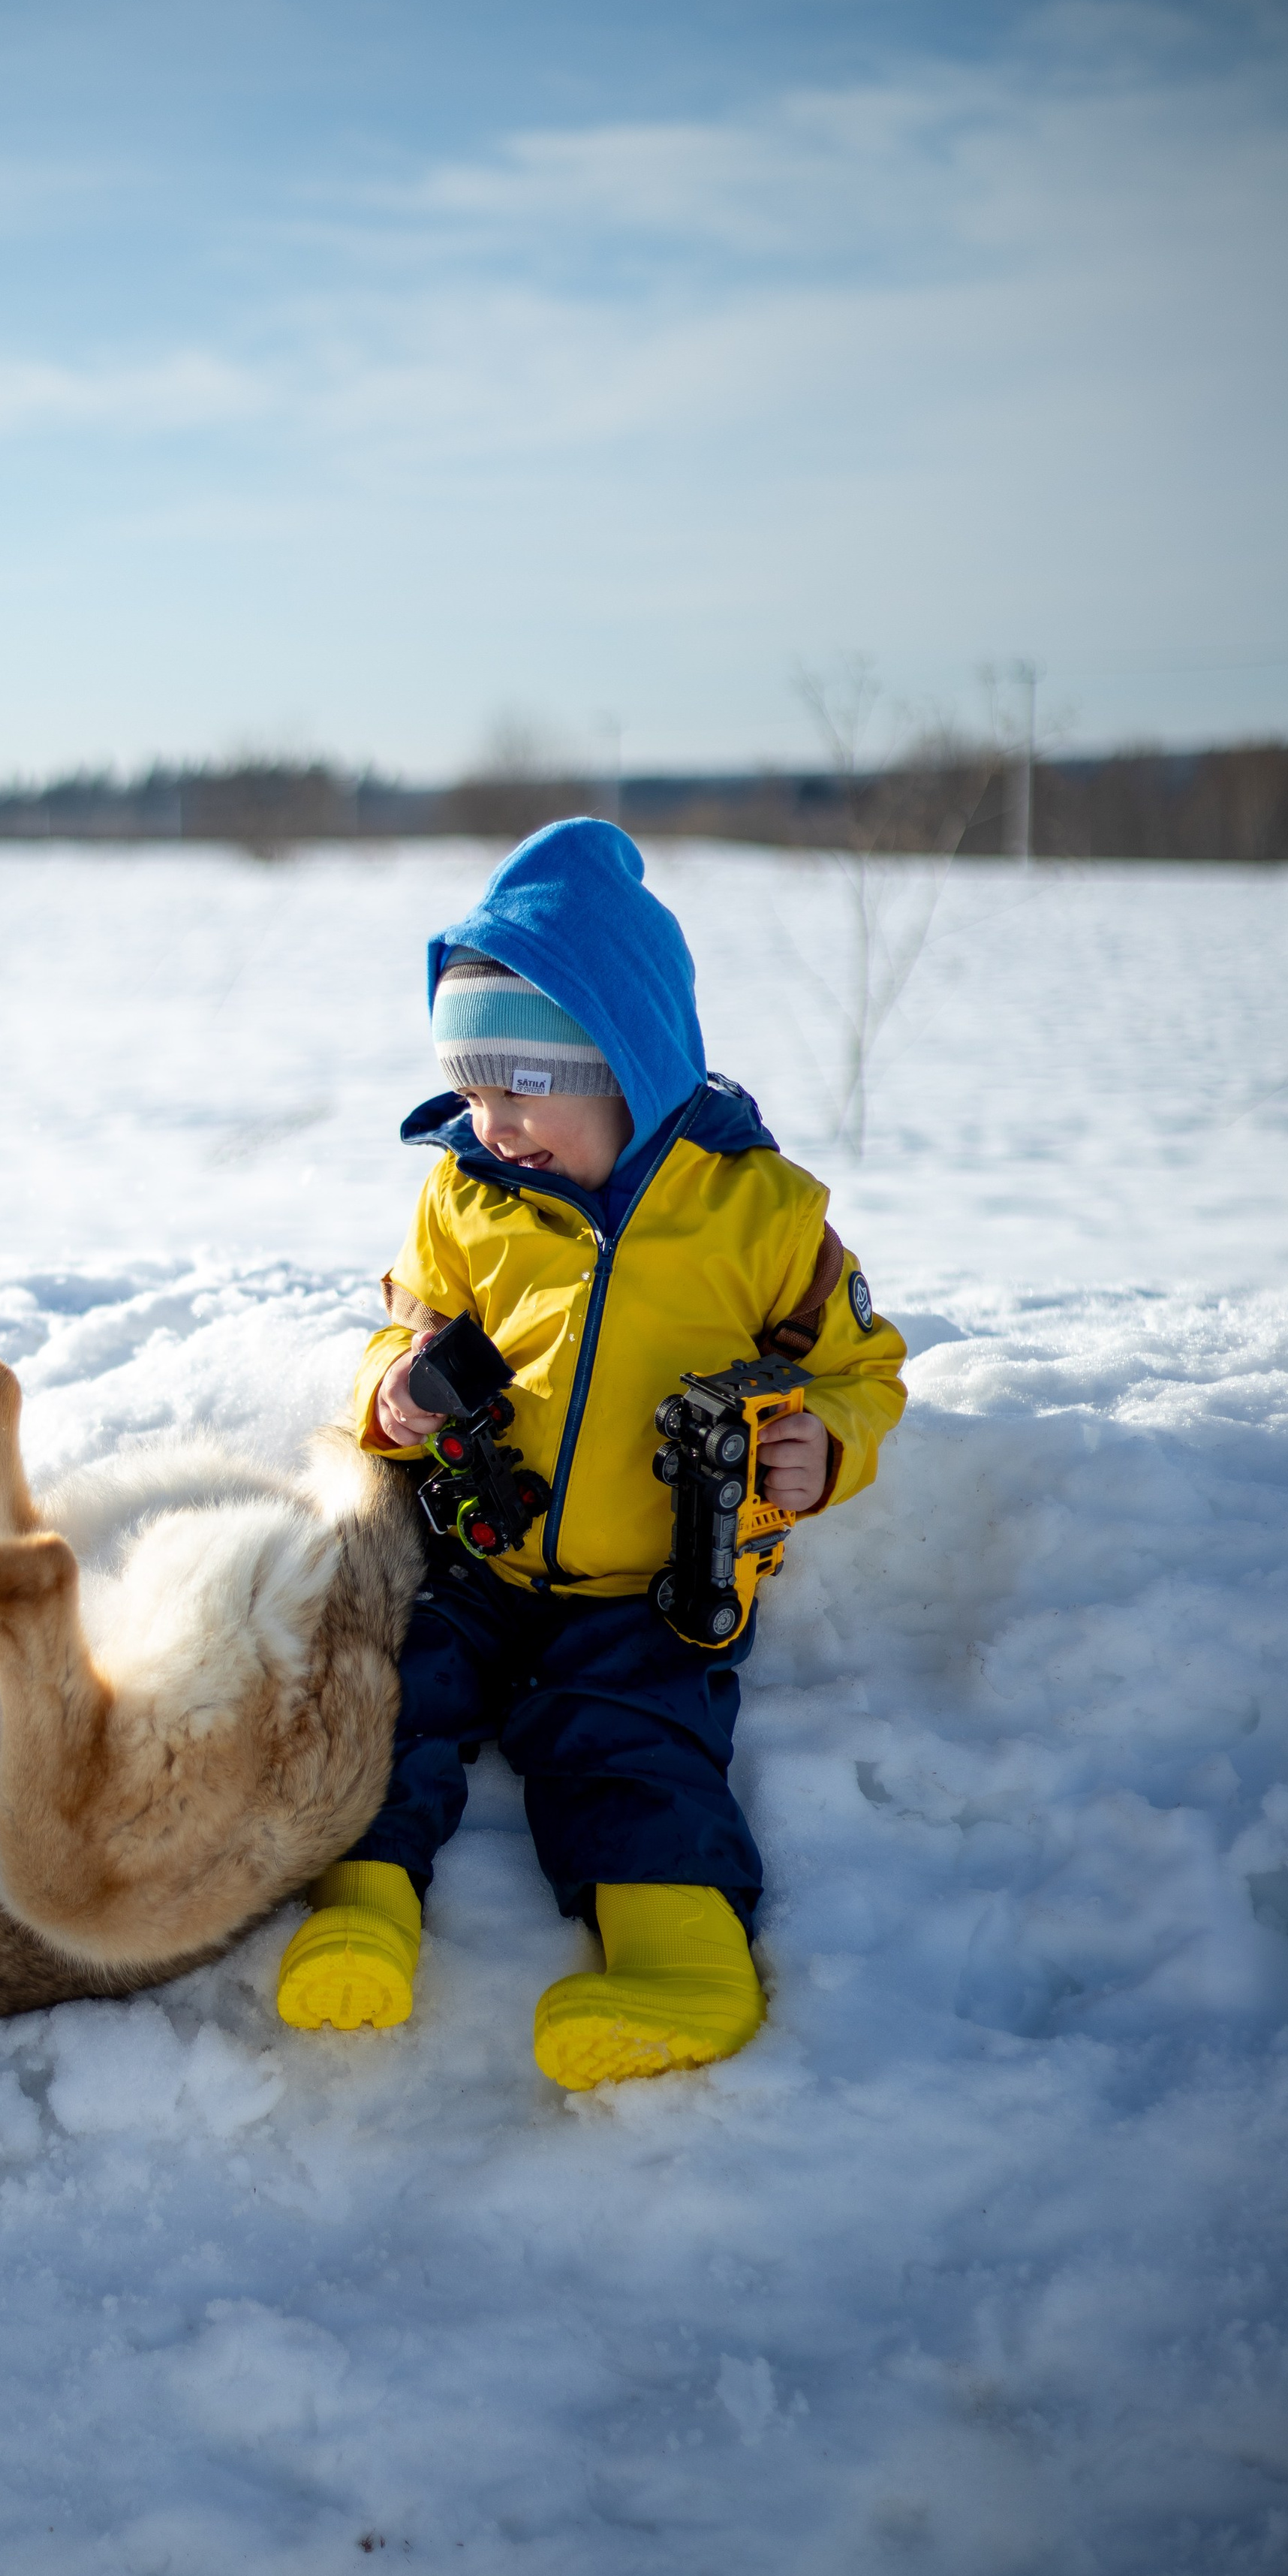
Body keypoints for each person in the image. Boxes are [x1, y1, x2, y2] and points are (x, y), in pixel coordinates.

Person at [276, 818, 907, 2089]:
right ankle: (362, 1909)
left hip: (651, 1583)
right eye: (471, 1090)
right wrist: (391, 1396)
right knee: (387, 1695)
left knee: (637, 1743)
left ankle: (683, 1965)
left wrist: (822, 1445)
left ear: (629, 1056)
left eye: (524, 1090)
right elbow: (399, 1329)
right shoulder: (465, 1196)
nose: (493, 1124)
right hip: (477, 1548)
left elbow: (860, 1370)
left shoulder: (767, 1221)